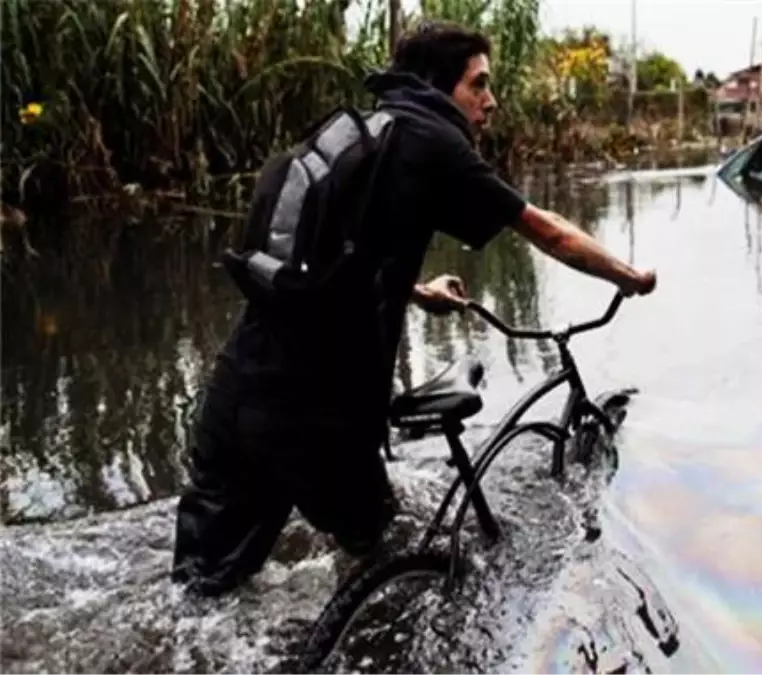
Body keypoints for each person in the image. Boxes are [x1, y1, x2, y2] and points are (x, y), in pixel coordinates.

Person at [170, 21, 657, 598]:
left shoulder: (363, 131)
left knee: (199, 591)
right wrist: (630, 276)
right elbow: (545, 232)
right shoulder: (435, 142)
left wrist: (418, 290)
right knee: (384, 562)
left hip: (243, 385)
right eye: (479, 84)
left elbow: (329, 262)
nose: (491, 101)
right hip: (320, 415)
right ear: (438, 84)